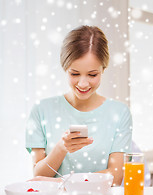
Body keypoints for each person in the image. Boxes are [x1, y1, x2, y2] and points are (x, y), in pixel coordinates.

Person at [26, 25, 132, 186]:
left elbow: (116, 177)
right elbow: (38, 176)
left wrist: (63, 184)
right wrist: (61, 148)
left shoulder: (120, 113)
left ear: (103, 69)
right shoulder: (41, 110)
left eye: (92, 74)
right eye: (74, 73)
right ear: (65, 68)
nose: (83, 83)